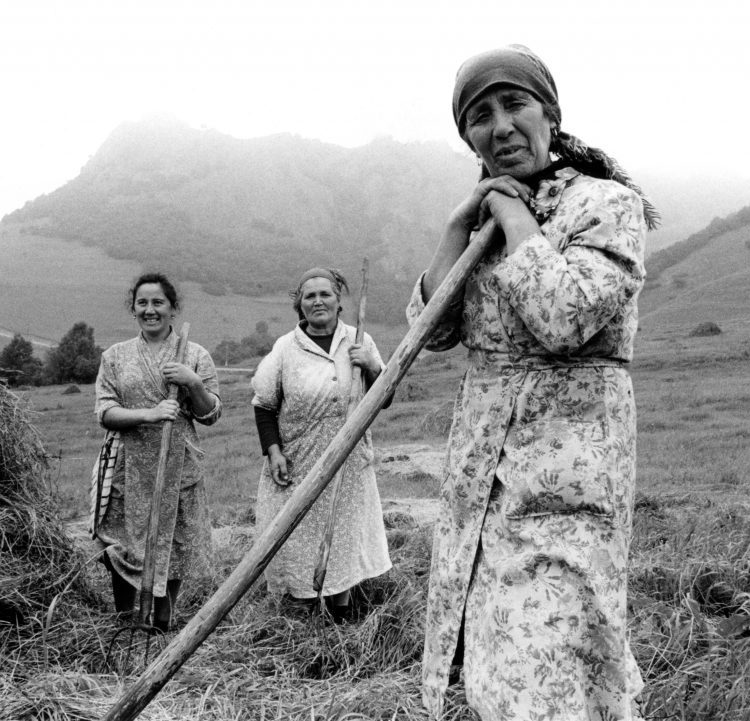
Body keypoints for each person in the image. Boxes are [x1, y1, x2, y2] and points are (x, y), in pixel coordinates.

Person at [408, 45, 659, 720]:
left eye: (514, 104)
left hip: (566, 475)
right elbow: (431, 334)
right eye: (480, 116)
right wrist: (460, 227)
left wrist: (516, 222)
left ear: (550, 112)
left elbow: (563, 314)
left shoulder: (605, 204)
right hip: (480, 477)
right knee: (485, 654)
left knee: (547, 655)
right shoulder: (482, 220)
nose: (501, 126)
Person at [251, 267, 392, 619]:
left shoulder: (360, 340)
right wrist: (273, 451)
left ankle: (340, 622)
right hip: (298, 462)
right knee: (295, 543)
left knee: (342, 543)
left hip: (348, 462)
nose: (317, 301)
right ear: (299, 304)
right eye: (309, 296)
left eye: (325, 294)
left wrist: (372, 367)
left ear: (338, 300)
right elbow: (264, 404)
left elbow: (384, 399)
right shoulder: (286, 348)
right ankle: (299, 623)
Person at [93, 272, 222, 632]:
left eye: (158, 303)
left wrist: (192, 382)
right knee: (119, 544)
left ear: (172, 308)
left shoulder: (195, 355)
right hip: (127, 465)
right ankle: (124, 618)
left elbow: (211, 414)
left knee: (175, 542)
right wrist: (149, 414)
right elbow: (104, 412)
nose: (150, 310)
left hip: (179, 464)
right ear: (133, 309)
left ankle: (163, 621)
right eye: (142, 303)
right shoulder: (115, 356)